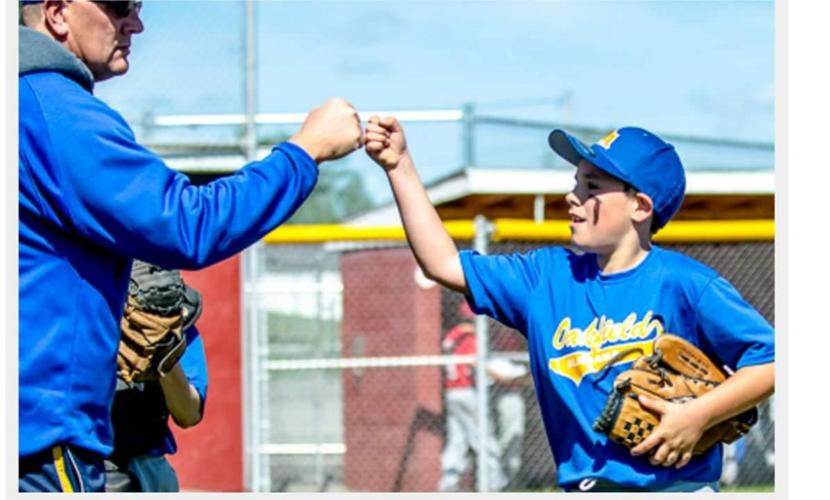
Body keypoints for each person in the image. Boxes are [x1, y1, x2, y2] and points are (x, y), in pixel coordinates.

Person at [19, 0, 362, 492]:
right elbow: (187, 223)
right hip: (40, 444)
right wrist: (305, 152)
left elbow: (189, 408)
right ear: (56, 13)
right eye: (119, 7)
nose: (136, 22)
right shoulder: (50, 107)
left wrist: (164, 358)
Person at [364, 116, 775, 492]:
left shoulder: (686, 284)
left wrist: (699, 414)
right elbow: (444, 263)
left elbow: (774, 358)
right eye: (576, 181)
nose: (571, 195)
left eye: (592, 186)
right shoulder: (545, 277)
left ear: (641, 206)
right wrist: (399, 166)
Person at [105, 261, 208, 492]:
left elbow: (189, 414)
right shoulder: (85, 314)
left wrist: (162, 354)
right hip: (85, 459)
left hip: (147, 465)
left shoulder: (178, 321)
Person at [438, 302, 507, 492]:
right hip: (468, 391)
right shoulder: (469, 336)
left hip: (452, 391)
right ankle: (494, 484)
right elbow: (476, 363)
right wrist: (499, 375)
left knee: (457, 439)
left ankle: (448, 485)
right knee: (483, 437)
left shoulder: (452, 336)